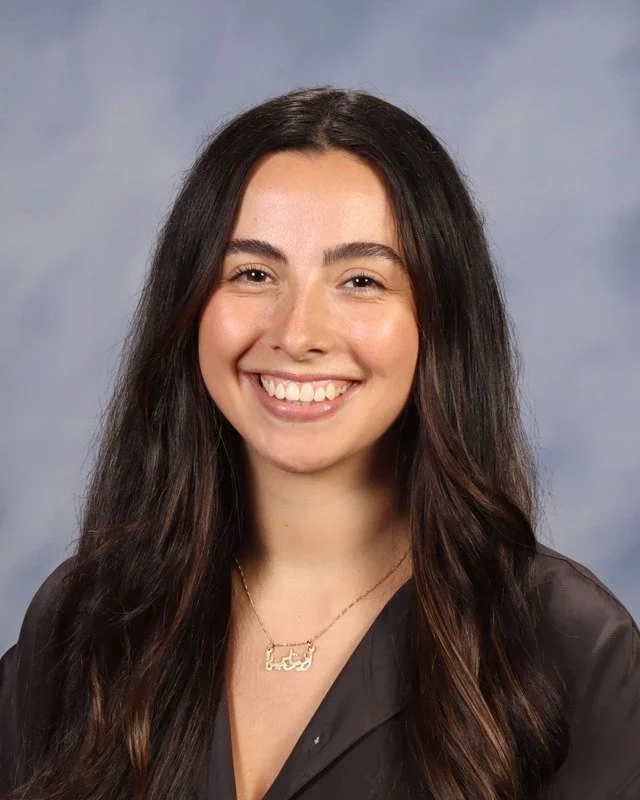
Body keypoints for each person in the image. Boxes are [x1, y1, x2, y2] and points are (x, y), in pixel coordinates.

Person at [0, 86, 638, 800]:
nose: (297, 332)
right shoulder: (85, 622)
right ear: (188, 308)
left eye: (361, 280)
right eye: (252, 273)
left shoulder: (568, 646)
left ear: (442, 321)